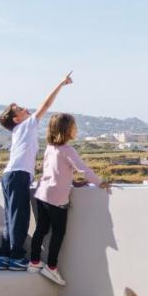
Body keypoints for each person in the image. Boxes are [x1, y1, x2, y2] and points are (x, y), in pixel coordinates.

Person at [0, 72, 73, 271]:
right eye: (20, 109)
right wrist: (61, 84)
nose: (26, 109)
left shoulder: (17, 131)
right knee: (20, 216)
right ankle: (17, 257)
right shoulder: (26, 126)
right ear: (16, 118)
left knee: (9, 216)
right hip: (18, 175)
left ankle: (4, 256)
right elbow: (46, 106)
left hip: (9, 175)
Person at [30, 112, 110, 285]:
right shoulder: (68, 150)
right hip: (57, 199)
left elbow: (54, 172)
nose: (76, 129)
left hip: (42, 193)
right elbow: (83, 169)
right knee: (58, 232)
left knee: (42, 229)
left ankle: (34, 262)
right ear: (67, 130)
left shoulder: (50, 149)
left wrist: (71, 182)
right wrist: (100, 182)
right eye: (74, 126)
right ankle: (51, 267)